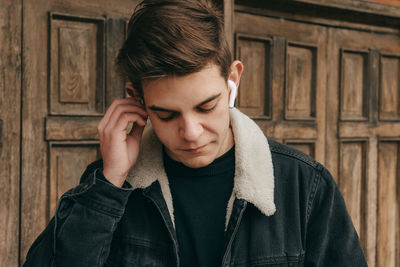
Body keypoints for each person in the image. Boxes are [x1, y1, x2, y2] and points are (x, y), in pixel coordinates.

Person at [23, 0, 368, 266]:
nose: (190, 132)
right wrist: (108, 185)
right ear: (136, 100)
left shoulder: (304, 185)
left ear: (233, 79)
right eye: (166, 114)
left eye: (206, 106)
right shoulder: (111, 187)